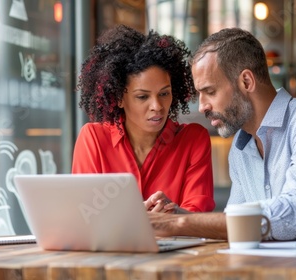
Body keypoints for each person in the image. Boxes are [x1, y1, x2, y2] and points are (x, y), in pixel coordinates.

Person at [148, 27, 296, 279]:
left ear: (246, 81)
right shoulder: (241, 148)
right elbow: (235, 227)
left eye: (210, 91)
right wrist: (173, 215)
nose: (203, 106)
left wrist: (179, 224)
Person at [72, 25, 215, 214]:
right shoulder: (94, 139)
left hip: (179, 243)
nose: (157, 106)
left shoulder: (193, 140)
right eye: (142, 96)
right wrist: (137, 219)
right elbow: (83, 215)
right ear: (119, 98)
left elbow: (199, 216)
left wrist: (173, 214)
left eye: (164, 93)